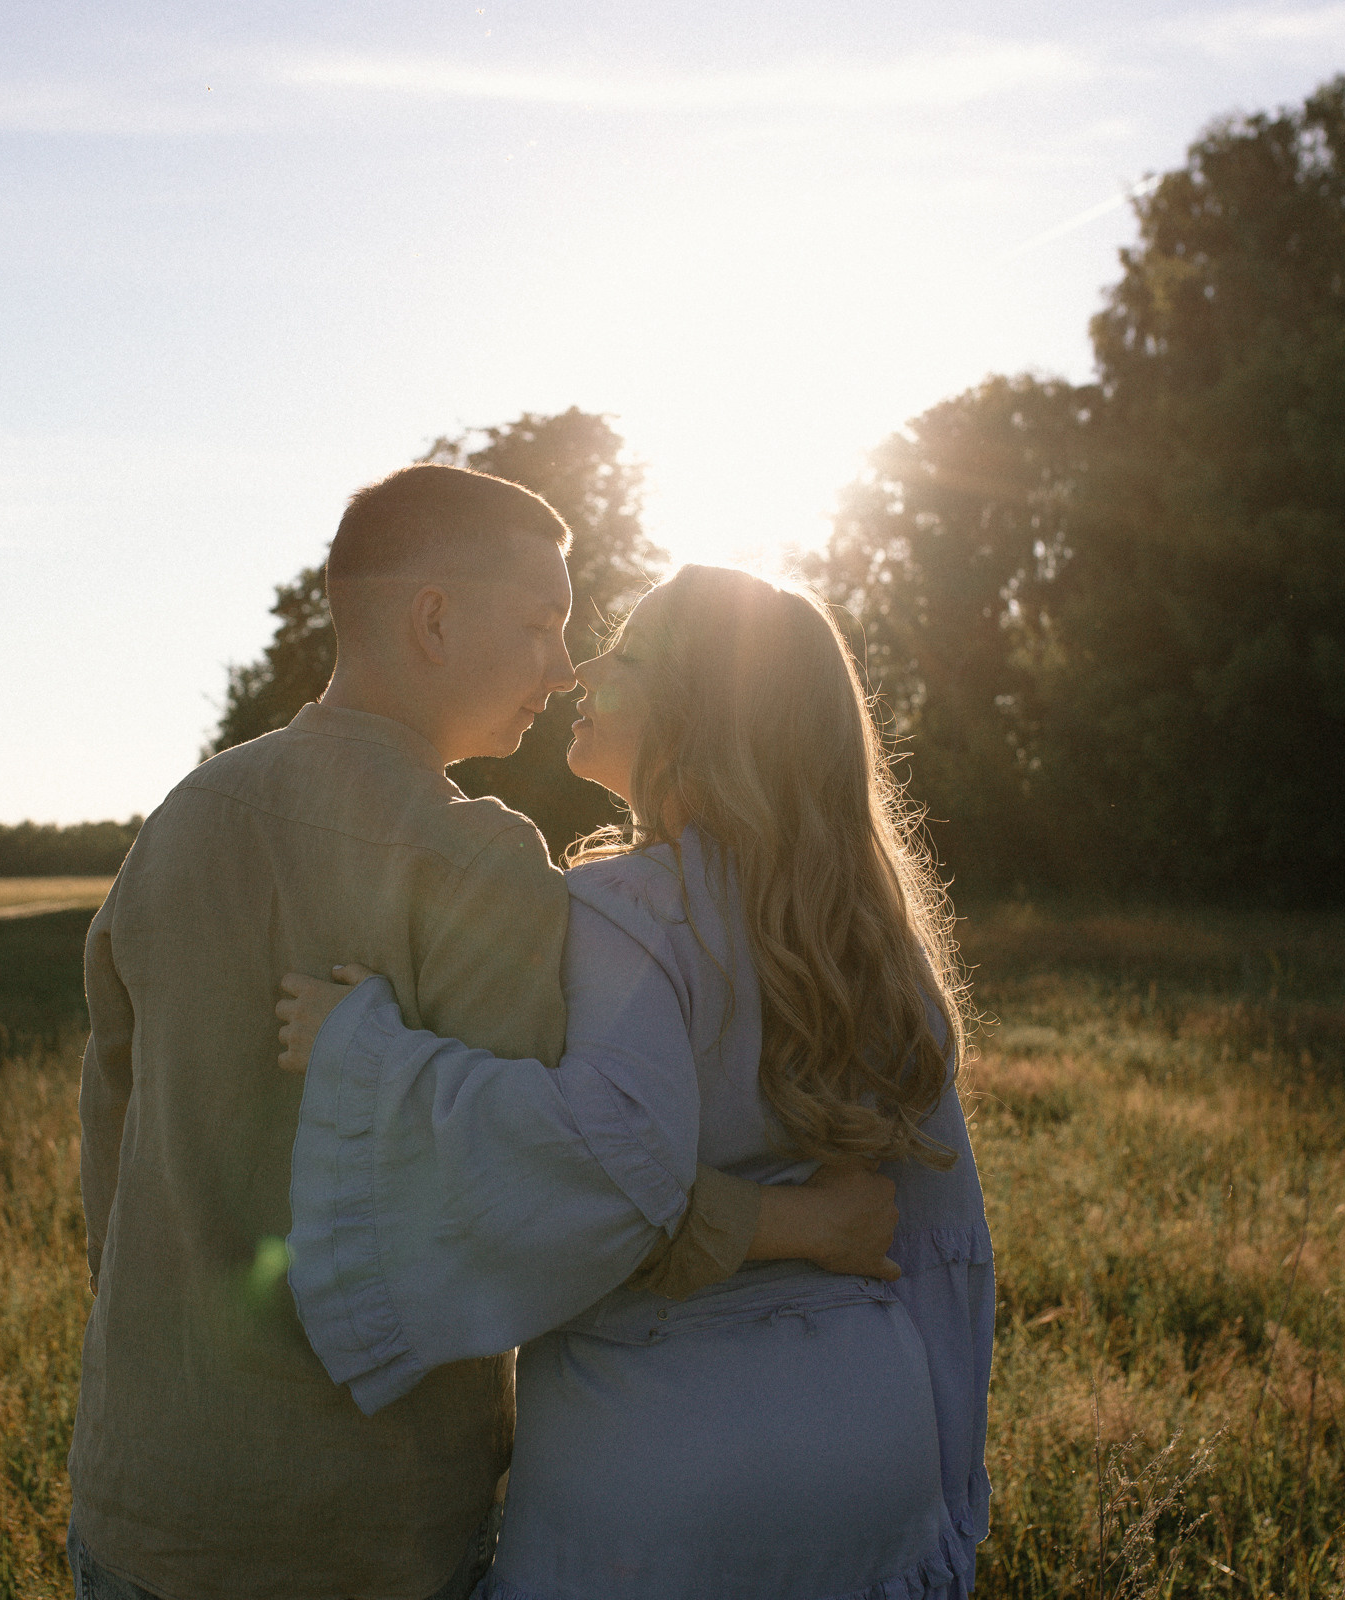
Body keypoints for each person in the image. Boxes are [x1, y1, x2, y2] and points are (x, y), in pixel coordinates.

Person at [68, 469, 901, 1600]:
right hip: (367, 1529)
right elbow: (562, 1195)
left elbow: (109, 1156)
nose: (564, 667)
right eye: (542, 623)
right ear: (434, 619)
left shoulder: (183, 819)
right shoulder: (479, 864)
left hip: (141, 1501)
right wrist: (800, 1222)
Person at [273, 564, 994, 1599]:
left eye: (625, 656)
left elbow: (595, 1167)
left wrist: (369, 1056)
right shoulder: (877, 940)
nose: (579, 672)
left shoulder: (624, 909)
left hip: (664, 1458)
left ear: (696, 717)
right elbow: (941, 1235)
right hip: (875, 1436)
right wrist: (946, 1468)